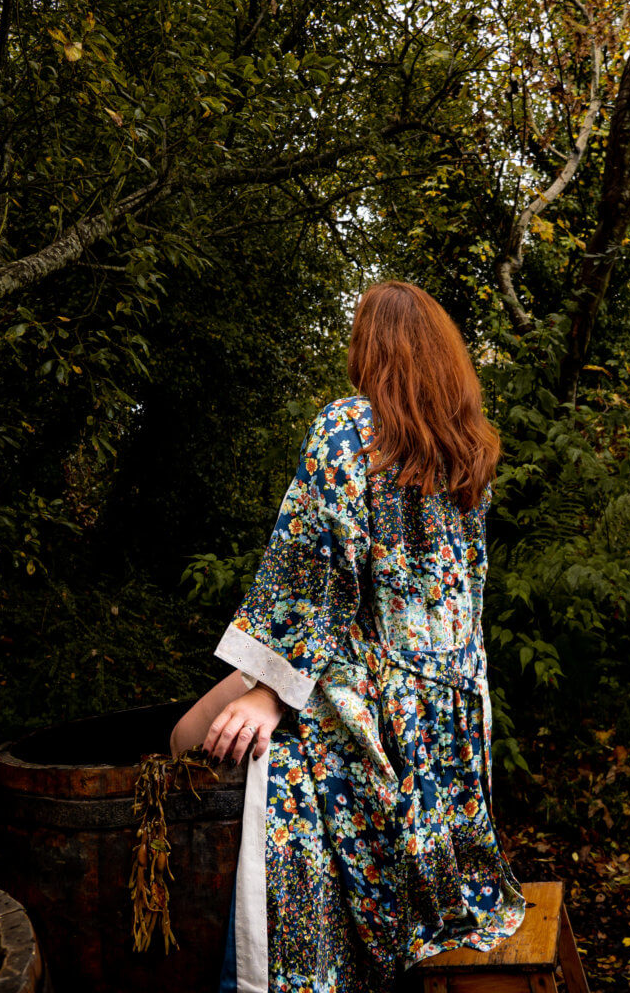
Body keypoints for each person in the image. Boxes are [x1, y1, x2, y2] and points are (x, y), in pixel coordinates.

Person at [170, 280, 527, 993]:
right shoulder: (469, 453)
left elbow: (314, 568)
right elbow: (456, 601)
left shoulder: (346, 427)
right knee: (199, 732)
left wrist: (272, 689)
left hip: (358, 693)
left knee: (184, 742)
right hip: (445, 707)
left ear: (370, 349)